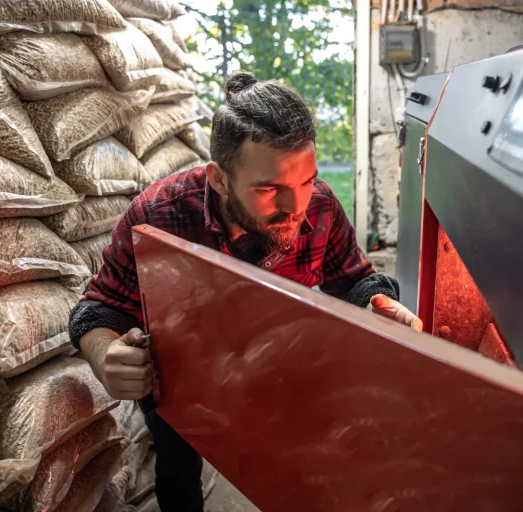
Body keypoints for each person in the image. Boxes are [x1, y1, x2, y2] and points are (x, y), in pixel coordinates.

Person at [68, 71, 421, 511]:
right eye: (270, 190)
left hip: (279, 366)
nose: (296, 208)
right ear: (219, 179)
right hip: (181, 377)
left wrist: (377, 303)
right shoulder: (157, 216)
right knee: (178, 470)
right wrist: (104, 355)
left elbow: (354, 278)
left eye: (306, 182)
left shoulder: (321, 205)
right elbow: (97, 309)